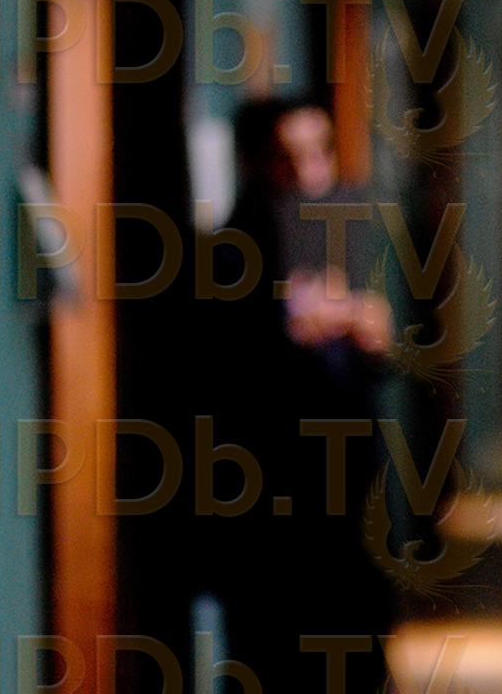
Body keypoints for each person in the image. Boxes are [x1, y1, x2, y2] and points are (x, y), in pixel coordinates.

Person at [202, 98, 393, 690]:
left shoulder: (341, 225)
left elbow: (369, 356)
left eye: (321, 152)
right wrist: (295, 324)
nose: (310, 171)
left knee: (357, 640)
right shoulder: (232, 250)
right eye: (290, 157)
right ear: (257, 163)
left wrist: (368, 333)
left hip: (347, 488)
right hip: (272, 503)